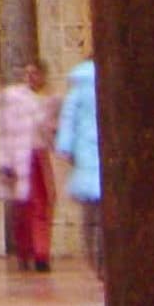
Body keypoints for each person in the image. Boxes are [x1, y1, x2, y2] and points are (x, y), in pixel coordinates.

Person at [0, 60, 59, 271]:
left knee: (41, 204)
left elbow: (48, 130)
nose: (31, 78)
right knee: (22, 208)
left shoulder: (47, 100)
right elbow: (3, 132)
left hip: (37, 156)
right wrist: (4, 161)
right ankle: (25, 250)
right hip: (19, 157)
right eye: (27, 74)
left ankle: (41, 254)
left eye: (35, 74)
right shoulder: (13, 99)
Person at [55, 56, 102, 278]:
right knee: (104, 215)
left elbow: (68, 118)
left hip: (85, 157)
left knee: (90, 215)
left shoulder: (78, 87)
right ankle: (104, 258)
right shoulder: (110, 82)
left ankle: (94, 258)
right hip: (106, 158)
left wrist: (65, 147)